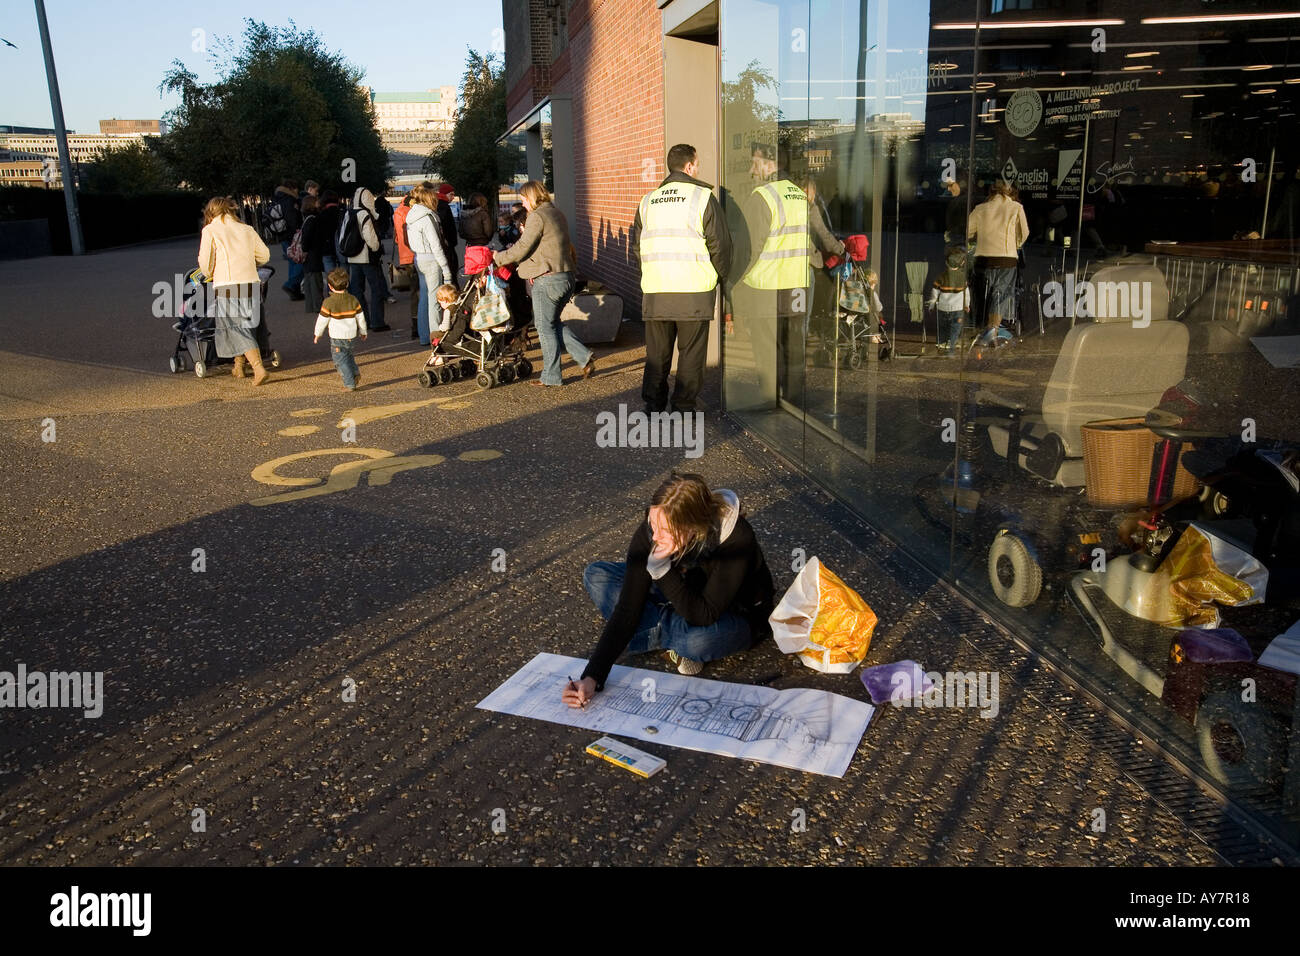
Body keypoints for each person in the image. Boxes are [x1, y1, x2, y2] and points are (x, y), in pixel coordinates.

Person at [562, 473, 775, 704]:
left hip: (729, 613)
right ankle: (666, 632)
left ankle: (656, 631)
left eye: (665, 530)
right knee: (597, 576)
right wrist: (592, 677)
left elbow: (704, 614)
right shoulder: (655, 528)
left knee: (696, 641)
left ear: (694, 528)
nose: (656, 535)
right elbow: (626, 609)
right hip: (678, 594)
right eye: (653, 524)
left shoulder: (736, 537)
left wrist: (661, 570)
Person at [735, 143, 841, 406]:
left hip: (766, 288)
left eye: (754, 162)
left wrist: (736, 284)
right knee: (794, 347)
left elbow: (750, 249)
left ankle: (770, 400)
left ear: (770, 163)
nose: (751, 169)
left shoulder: (761, 197)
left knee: (767, 349)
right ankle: (794, 400)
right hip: (797, 285)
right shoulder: (799, 196)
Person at [632, 143, 732, 416]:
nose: (697, 169)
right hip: (693, 292)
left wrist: (654, 275)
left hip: (656, 291)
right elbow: (720, 246)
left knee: (657, 355)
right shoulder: (702, 198)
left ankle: (653, 405)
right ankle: (682, 408)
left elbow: (637, 248)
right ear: (689, 166)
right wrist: (722, 279)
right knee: (690, 355)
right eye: (696, 164)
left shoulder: (647, 201)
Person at [492, 180, 595, 387]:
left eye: (523, 199)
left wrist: (499, 258)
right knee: (553, 323)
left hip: (547, 280)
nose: (522, 203)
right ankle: (584, 358)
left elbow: (522, 246)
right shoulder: (556, 213)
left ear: (531, 197)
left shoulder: (537, 217)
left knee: (543, 327)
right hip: (565, 277)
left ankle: (551, 376)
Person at [196, 196, 272, 385]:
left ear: (211, 211)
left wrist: (210, 271)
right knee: (248, 324)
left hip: (228, 285)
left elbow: (205, 264)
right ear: (231, 210)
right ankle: (239, 366)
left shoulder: (210, 230)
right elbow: (264, 255)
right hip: (252, 283)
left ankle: (257, 367)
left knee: (234, 327)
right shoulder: (247, 229)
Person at [966, 179, 1028, 344]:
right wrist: (1015, 245)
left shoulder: (980, 209)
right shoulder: (1016, 208)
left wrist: (981, 238)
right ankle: (993, 329)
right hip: (1007, 258)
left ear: (991, 192)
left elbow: (968, 231)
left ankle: (981, 328)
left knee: (984, 294)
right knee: (1001, 294)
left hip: (984, 258)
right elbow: (1025, 232)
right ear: (1008, 192)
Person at [406, 182, 454, 347]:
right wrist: (446, 269)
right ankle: (436, 337)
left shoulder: (412, 216)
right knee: (435, 301)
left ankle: (424, 336)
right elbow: (436, 245)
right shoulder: (427, 218)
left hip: (418, 258)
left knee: (424, 299)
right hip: (431, 260)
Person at [313, 267, 368, 390]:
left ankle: (350, 382)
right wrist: (363, 331)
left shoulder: (328, 302)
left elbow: (322, 320)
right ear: (347, 284)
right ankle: (354, 373)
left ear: (330, 286)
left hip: (337, 337)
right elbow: (360, 317)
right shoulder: (353, 299)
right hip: (351, 335)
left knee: (340, 361)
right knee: (348, 355)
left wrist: (318, 334)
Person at [346, 185, 390, 331]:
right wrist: (377, 247)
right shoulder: (365, 214)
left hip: (352, 258)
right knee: (376, 289)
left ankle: (362, 320)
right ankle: (377, 322)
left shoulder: (348, 213)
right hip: (367, 257)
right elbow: (370, 238)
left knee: (357, 290)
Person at [925, 245, 970, 354]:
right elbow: (966, 294)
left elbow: (934, 294)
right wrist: (966, 305)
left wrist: (931, 306)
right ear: (962, 263)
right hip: (958, 309)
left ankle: (941, 344)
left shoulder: (941, 277)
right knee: (955, 329)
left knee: (942, 328)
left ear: (946, 262)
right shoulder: (962, 278)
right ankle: (951, 346)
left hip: (942, 309)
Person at [392, 193, 419, 339]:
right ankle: (418, 326)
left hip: (405, 254)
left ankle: (415, 325)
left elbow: (397, 237)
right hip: (414, 254)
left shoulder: (398, 210)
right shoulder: (410, 211)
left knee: (414, 293)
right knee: (418, 292)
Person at [272, 178, 304, 300]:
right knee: (300, 262)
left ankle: (294, 292)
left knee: (292, 263)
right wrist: (298, 230)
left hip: (282, 235)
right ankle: (290, 285)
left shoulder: (278, 198)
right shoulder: (289, 200)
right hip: (292, 235)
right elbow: (292, 219)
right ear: (292, 188)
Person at [299, 195, 326, 314]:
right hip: (313, 253)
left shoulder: (307, 218)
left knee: (310, 280)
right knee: (315, 281)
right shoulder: (313, 219)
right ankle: (318, 305)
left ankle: (310, 306)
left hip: (309, 255)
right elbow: (308, 238)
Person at [435, 184, 459, 273]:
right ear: (445, 194)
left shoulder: (440, 204)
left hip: (447, 243)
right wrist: (447, 240)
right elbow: (443, 224)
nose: (453, 197)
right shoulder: (443, 205)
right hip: (447, 244)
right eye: (451, 194)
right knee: (451, 267)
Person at [318, 189, 343, 274]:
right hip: (342, 247)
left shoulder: (321, 215)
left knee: (331, 275)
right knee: (343, 273)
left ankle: (332, 286)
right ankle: (344, 286)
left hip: (326, 247)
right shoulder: (342, 214)